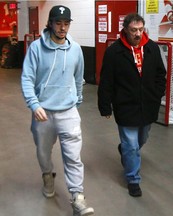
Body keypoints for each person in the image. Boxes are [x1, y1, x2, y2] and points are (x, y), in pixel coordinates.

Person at [21, 5, 94, 216]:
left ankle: (77, 197)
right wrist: (34, 104)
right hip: (43, 113)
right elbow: (27, 78)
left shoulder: (76, 49)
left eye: (66, 23)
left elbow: (79, 78)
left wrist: (77, 100)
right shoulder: (36, 48)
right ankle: (47, 175)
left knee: (73, 156)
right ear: (50, 23)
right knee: (43, 152)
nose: (63, 28)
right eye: (58, 23)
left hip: (68, 112)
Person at [98, 13, 166, 197]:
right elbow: (106, 81)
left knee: (141, 140)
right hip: (125, 106)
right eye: (133, 30)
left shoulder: (151, 48)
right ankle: (133, 179)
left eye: (140, 29)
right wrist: (105, 106)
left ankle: (125, 151)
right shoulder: (114, 52)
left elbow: (161, 74)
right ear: (125, 30)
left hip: (147, 105)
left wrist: (157, 93)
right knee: (132, 145)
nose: (137, 34)